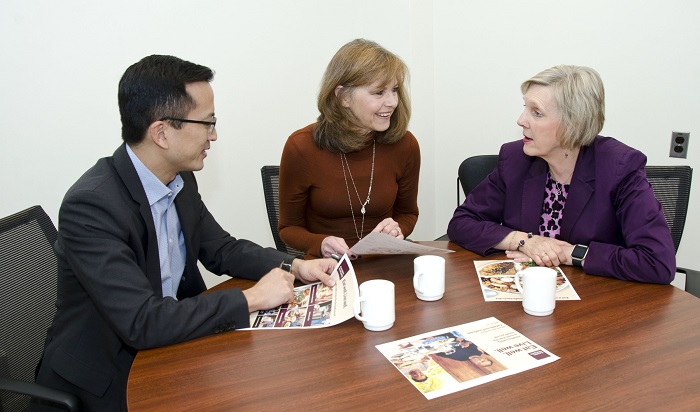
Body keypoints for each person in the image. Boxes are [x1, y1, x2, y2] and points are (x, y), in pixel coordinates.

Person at [33, 55, 337, 411]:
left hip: (171, 348)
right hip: (107, 380)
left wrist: (295, 266)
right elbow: (141, 320)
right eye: (207, 123)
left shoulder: (178, 179)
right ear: (162, 132)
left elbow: (222, 249)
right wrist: (251, 299)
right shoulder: (92, 206)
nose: (214, 135)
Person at [447, 65, 675, 284]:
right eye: (525, 107)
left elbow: (657, 262)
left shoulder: (620, 167)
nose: (521, 120)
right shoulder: (515, 158)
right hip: (524, 293)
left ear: (572, 124)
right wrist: (525, 241)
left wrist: (569, 254)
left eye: (536, 113)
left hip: (598, 302)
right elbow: (461, 223)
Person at [278, 38, 421, 259]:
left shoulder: (405, 144)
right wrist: (321, 242)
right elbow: (288, 228)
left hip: (385, 261)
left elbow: (408, 213)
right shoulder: (301, 147)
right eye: (379, 92)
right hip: (325, 267)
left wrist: (397, 228)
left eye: (394, 90)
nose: (392, 101)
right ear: (343, 97)